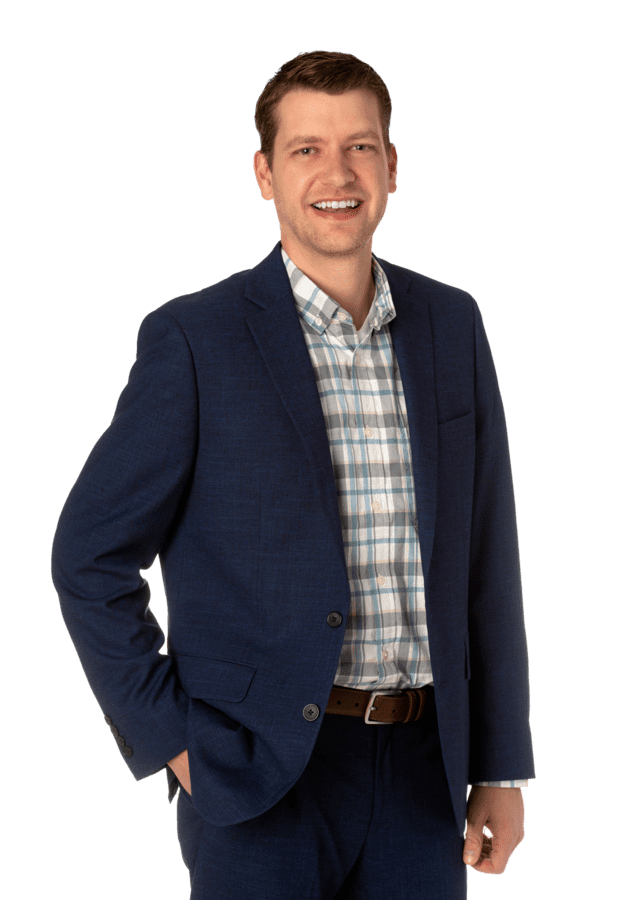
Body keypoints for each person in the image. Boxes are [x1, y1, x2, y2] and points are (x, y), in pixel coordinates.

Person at [51, 50, 535, 899]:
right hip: (255, 773)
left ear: (391, 167)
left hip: (425, 771)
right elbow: (88, 558)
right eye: (306, 149)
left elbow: (486, 559)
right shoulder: (195, 339)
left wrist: (499, 766)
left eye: (359, 147)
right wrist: (174, 740)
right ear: (264, 174)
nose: (336, 173)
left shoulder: (450, 324)